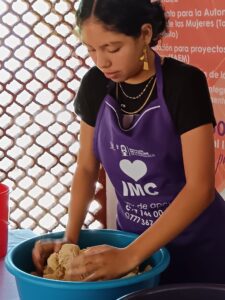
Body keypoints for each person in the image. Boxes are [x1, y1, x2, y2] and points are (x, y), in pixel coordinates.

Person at [32, 0, 225, 284]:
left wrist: (129, 256)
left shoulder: (183, 84)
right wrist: (69, 240)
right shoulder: (96, 85)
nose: (102, 61)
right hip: (130, 240)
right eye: (91, 49)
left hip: (198, 247)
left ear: (145, 34)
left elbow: (200, 189)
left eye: (113, 48)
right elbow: (86, 167)